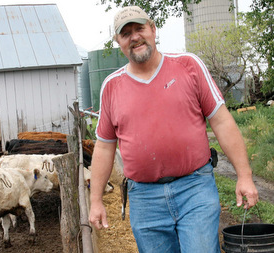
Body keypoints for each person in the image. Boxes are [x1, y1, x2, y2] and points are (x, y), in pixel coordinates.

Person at [88, 5, 259, 253]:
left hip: (195, 189)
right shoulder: (112, 87)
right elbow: (104, 147)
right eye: (126, 33)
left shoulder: (188, 65)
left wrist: (244, 175)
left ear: (153, 29)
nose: (134, 37)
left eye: (140, 28)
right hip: (144, 199)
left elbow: (221, 121)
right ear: (118, 41)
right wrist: (96, 201)